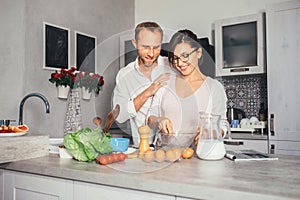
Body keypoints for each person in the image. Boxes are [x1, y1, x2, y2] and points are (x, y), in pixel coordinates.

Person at [147, 29, 227, 146]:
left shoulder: (214, 87)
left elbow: (222, 125)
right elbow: (150, 119)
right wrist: (159, 120)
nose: (180, 63)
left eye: (185, 56)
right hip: (164, 156)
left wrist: (211, 132)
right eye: (175, 58)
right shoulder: (165, 83)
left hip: (198, 157)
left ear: (198, 52)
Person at [112, 22, 176, 146]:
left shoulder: (172, 66)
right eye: (146, 47)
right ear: (135, 43)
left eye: (156, 47)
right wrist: (148, 92)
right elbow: (120, 116)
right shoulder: (124, 75)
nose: (151, 54)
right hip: (141, 148)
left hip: (172, 147)